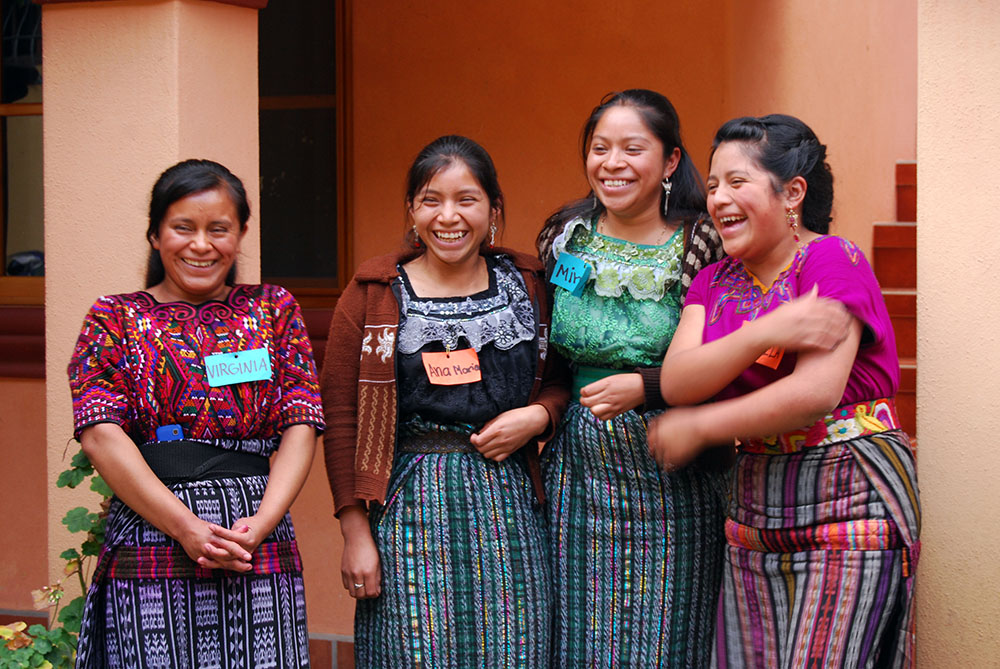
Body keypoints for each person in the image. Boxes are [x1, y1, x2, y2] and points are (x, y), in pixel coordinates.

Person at [649, 114, 921, 668]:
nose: (719, 198)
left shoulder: (831, 259)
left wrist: (702, 427)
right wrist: (767, 331)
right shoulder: (713, 281)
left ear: (792, 191)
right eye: (715, 185)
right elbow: (679, 381)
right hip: (754, 510)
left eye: (738, 181)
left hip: (848, 499)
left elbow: (815, 392)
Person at [322, 135, 568, 667]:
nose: (448, 216)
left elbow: (561, 378)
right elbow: (341, 415)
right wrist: (354, 530)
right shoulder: (373, 294)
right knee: (414, 652)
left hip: (509, 505)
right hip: (409, 505)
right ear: (412, 210)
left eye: (467, 199)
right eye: (431, 200)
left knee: (515, 651)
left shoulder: (529, 285)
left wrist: (537, 416)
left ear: (493, 210)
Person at [67, 159, 324, 668]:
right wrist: (186, 527)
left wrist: (261, 524)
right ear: (155, 234)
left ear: (242, 233)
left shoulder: (273, 311)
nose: (201, 245)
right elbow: (100, 433)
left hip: (255, 539)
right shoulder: (114, 317)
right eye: (183, 227)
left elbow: (302, 419)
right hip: (153, 535)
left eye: (219, 229)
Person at [536, 89, 728, 667]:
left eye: (632, 148)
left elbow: (725, 358)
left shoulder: (704, 242)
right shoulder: (564, 235)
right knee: (579, 639)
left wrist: (647, 386)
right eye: (600, 148)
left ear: (670, 161)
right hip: (578, 468)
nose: (611, 163)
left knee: (670, 639)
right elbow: (545, 351)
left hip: (675, 466)